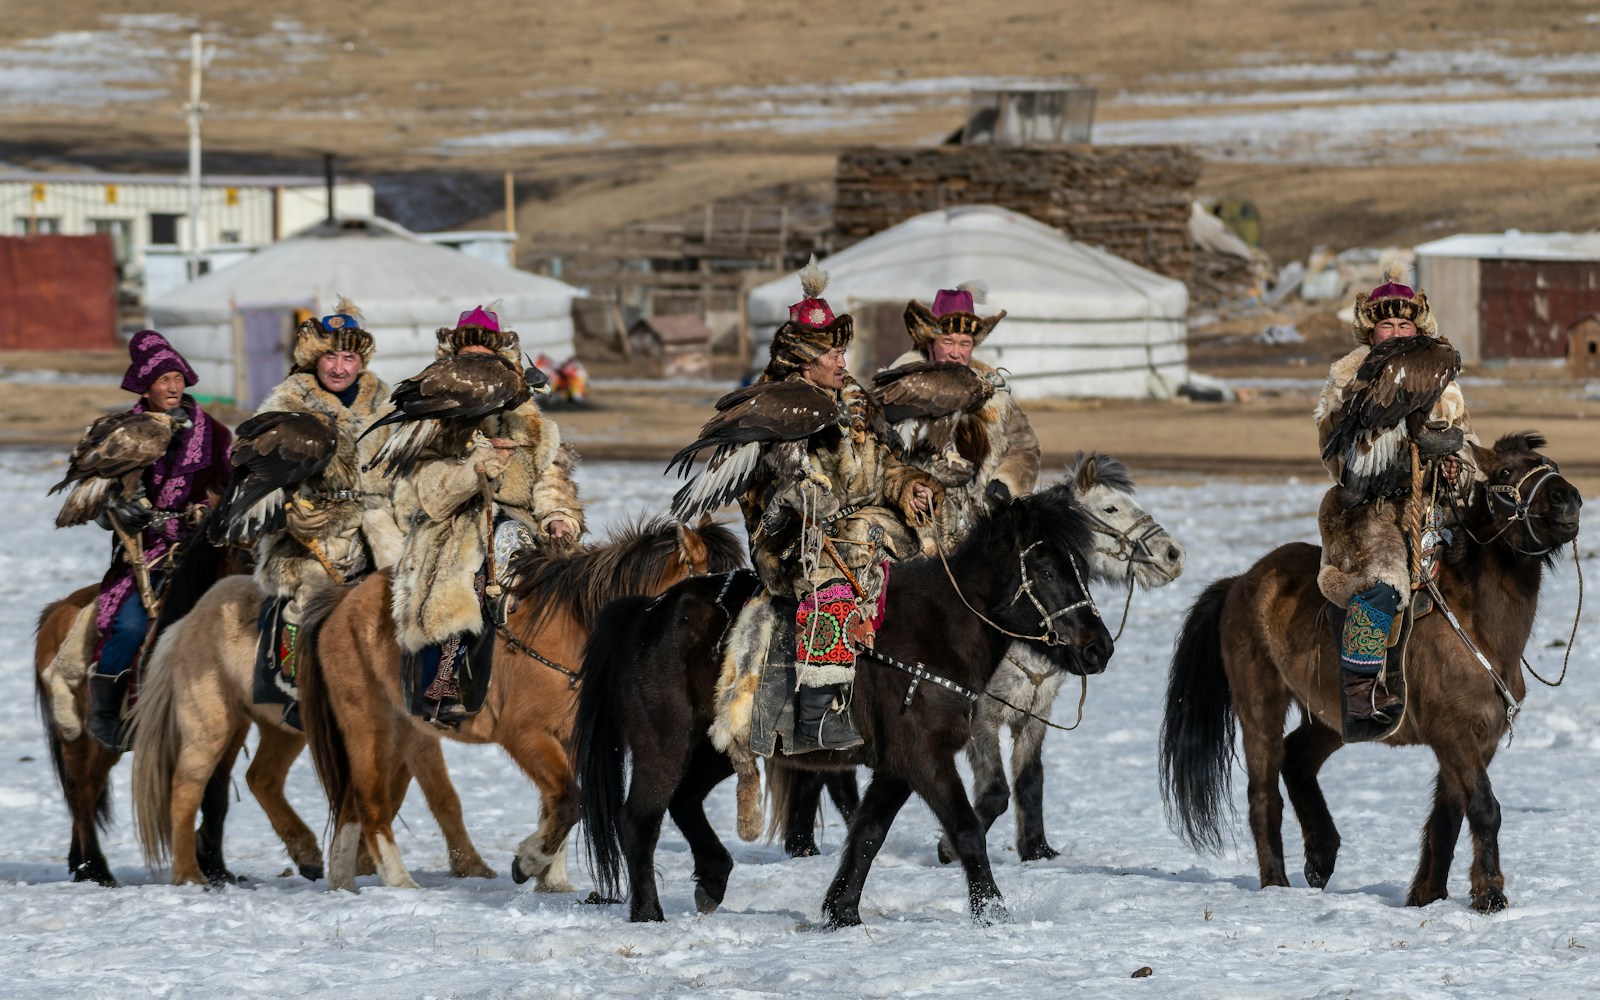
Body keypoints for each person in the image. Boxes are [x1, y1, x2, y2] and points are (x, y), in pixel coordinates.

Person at [736, 260, 941, 751]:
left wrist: (908, 485)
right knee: (837, 582)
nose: (842, 362)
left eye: (843, 351)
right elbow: (770, 490)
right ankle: (814, 714)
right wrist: (806, 498)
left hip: (858, 524)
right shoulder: (775, 408)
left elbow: (885, 464)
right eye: (832, 354)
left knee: (927, 560)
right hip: (793, 538)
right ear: (804, 362)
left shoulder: (856, 401)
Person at [389, 306, 584, 728]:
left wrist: (558, 516)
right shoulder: (432, 419)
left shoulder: (531, 423)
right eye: (469, 359)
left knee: (579, 582)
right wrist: (473, 470)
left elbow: (550, 477)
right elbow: (426, 493)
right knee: (469, 578)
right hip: (453, 528)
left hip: (519, 526)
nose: (479, 366)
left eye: (487, 358)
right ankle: (446, 680)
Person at [1314, 263, 1479, 721]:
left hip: (1433, 503)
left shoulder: (1444, 382)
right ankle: (1361, 688)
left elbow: (1470, 444)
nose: (1396, 330)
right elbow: (1336, 454)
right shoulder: (1347, 379)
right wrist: (1399, 448)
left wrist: (1454, 463)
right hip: (1371, 510)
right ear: (1372, 332)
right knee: (1384, 582)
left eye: (1404, 322)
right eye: (1386, 323)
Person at [252, 301, 401, 724]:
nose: (338, 367)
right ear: (313, 359)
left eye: (348, 357)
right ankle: (296, 684)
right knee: (310, 598)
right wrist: (289, 514)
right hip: (312, 530)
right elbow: (256, 477)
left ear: (361, 361)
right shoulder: (286, 405)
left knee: (410, 590)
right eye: (329, 357)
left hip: (378, 521)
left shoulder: (387, 405)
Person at [89, 330, 232, 748]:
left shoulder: (217, 435)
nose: (172, 387)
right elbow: (98, 500)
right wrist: (116, 511)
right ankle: (105, 708)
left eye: (177, 378)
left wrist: (210, 514)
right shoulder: (122, 433)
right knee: (131, 625)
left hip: (199, 548)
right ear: (144, 386)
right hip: (144, 553)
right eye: (162, 379)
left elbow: (229, 492)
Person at [891, 283, 1040, 553]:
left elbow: (1024, 444)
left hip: (980, 527)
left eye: (965, 343)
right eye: (948, 342)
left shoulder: (991, 389)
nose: (957, 352)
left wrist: (1004, 484)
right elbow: (880, 454)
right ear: (929, 342)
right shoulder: (900, 387)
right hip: (919, 528)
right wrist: (908, 488)